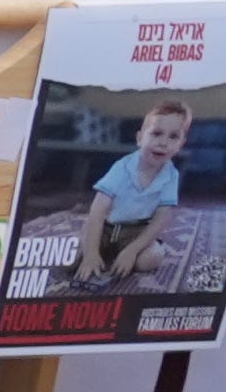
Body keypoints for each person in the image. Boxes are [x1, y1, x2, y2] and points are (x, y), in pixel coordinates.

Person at [80, 101, 197, 283]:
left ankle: (121, 255)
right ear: (140, 138)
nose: (164, 142)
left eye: (173, 137)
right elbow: (98, 210)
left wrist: (132, 251)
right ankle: (99, 254)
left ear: (181, 144)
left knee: (151, 259)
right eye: (157, 133)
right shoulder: (122, 168)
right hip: (107, 228)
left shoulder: (171, 175)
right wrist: (91, 253)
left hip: (135, 231)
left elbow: (160, 219)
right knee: (76, 253)